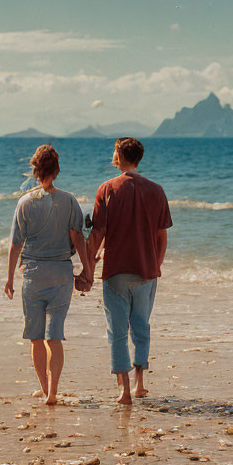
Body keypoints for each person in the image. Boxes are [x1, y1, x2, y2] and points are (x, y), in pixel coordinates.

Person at [76, 138, 172, 404]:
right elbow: (162, 235)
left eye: (113, 151)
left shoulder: (107, 188)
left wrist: (87, 269)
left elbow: (97, 234)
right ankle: (141, 384)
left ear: (119, 155)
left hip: (116, 271)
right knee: (141, 327)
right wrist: (157, 264)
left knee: (117, 332)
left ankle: (125, 391)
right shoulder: (157, 190)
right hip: (147, 271)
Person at [5, 145, 89, 405]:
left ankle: (44, 388)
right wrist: (86, 267)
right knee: (55, 335)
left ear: (35, 170)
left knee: (36, 337)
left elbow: (16, 244)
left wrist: (9, 278)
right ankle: (54, 391)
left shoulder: (25, 202)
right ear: (58, 169)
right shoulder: (69, 200)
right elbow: (78, 236)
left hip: (33, 274)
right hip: (62, 273)